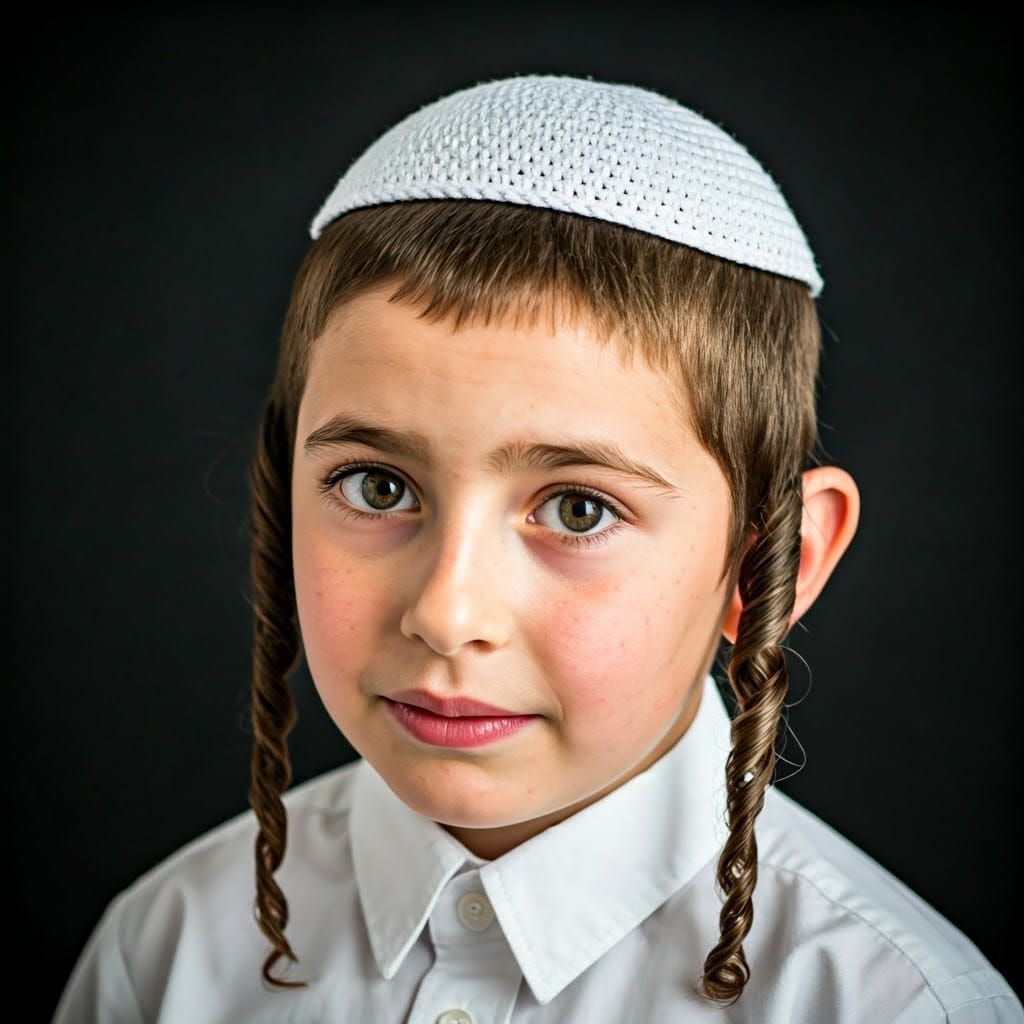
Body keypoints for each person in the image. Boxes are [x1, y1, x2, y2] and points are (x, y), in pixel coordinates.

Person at [52, 73, 1022, 1023]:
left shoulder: (901, 1006)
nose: (446, 612)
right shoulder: (162, 959)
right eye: (377, 487)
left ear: (774, 560)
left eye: (576, 510)